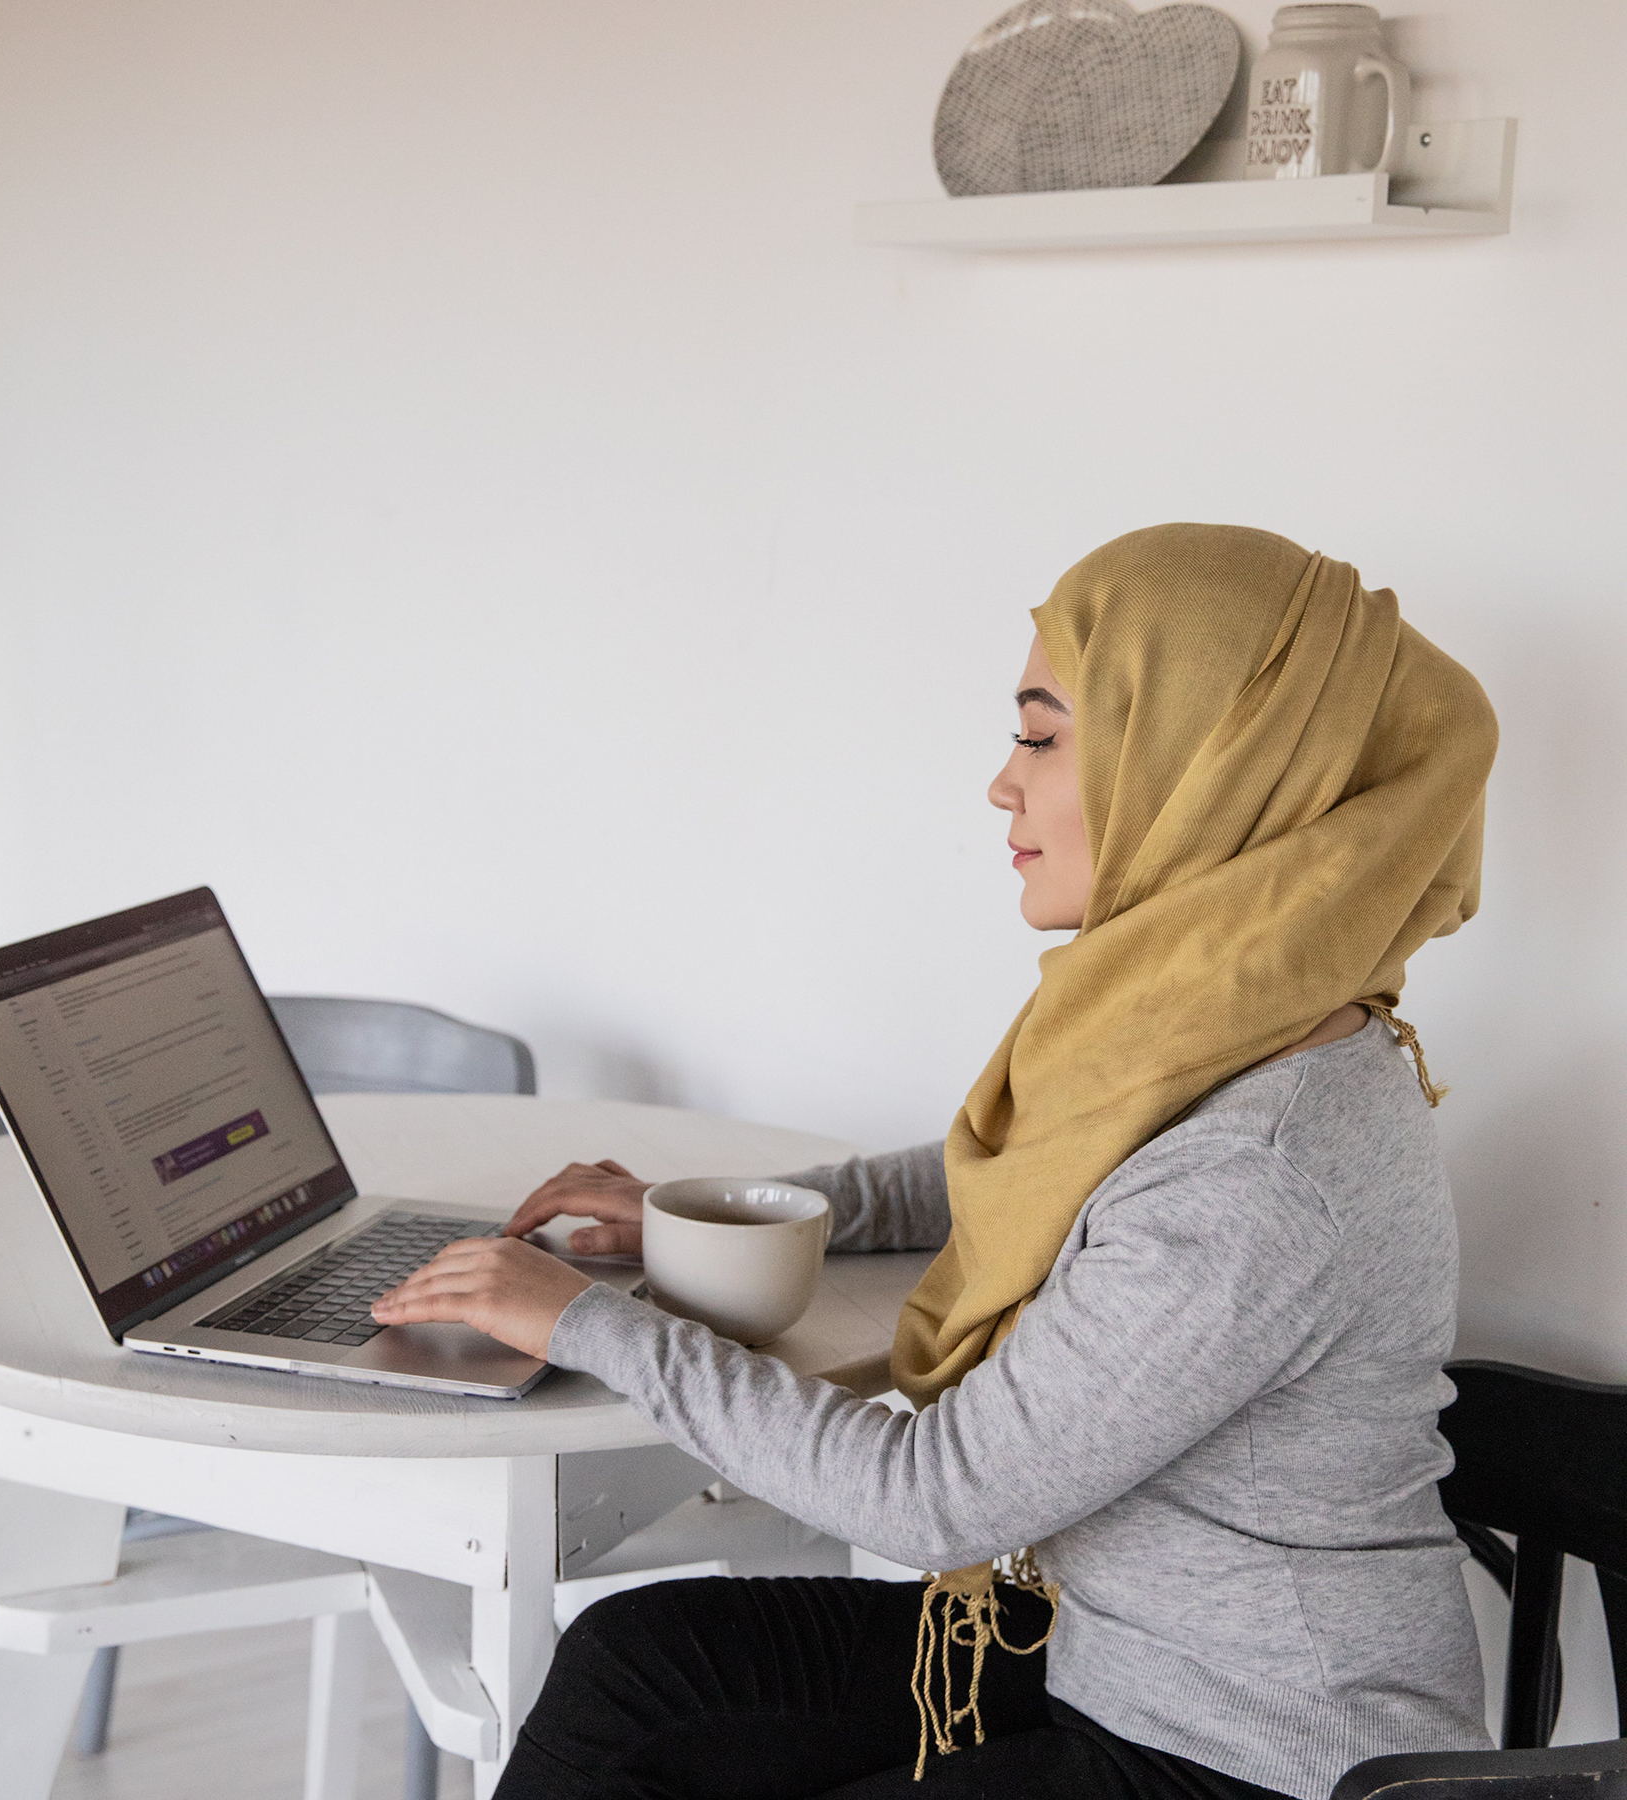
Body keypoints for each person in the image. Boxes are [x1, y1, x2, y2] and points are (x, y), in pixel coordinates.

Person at [372, 523, 1499, 1800]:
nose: (1001, 785)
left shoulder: (1263, 1173)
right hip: (1113, 1654)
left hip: (1253, 1757)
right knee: (646, 1670)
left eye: (1041, 734)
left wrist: (587, 1322)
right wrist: (713, 1218)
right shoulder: (1220, 1021)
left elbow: (934, 1496)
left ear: (1194, 768)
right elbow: (1020, 1172)